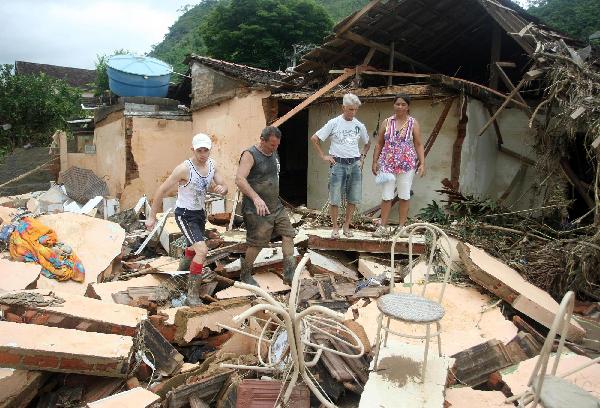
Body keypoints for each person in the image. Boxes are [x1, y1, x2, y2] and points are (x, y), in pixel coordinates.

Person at [146, 133, 228, 306]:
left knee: (192, 247)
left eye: (206, 150)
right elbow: (161, 190)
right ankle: (192, 296)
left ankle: (178, 279)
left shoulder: (212, 165)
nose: (203, 154)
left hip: (199, 214)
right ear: (193, 149)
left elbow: (224, 185)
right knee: (202, 250)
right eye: (199, 150)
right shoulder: (184, 169)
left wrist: (222, 188)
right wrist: (152, 217)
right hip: (184, 214)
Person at [235, 126, 297, 286]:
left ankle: (289, 274)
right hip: (257, 209)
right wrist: (256, 198)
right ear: (262, 140)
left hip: (275, 206)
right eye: (271, 145)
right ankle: (245, 274)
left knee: (288, 234)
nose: (275, 148)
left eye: (277, 145)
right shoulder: (250, 155)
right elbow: (240, 179)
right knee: (257, 244)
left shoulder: (274, 151)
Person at [310, 93, 370, 238]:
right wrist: (323, 156)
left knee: (353, 197)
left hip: (354, 164)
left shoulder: (359, 125)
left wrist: (362, 158)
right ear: (343, 107)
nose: (353, 112)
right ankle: (335, 227)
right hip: (338, 164)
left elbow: (367, 143)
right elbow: (315, 138)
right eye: (350, 109)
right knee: (334, 197)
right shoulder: (334, 123)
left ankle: (346, 226)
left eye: (355, 110)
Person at [371, 94, 425, 237]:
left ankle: (402, 228)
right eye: (397, 104)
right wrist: (375, 161)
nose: (400, 107)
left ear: (408, 107)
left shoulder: (413, 123)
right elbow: (379, 143)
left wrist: (422, 163)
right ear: (394, 105)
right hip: (387, 164)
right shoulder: (387, 122)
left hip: (407, 165)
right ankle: (382, 226)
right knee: (387, 195)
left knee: (404, 195)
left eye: (403, 104)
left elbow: (418, 144)